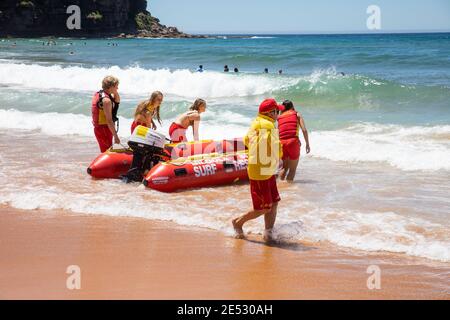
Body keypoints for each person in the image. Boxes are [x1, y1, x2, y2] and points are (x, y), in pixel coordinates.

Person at [232, 99, 283, 243]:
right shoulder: (268, 126)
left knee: (274, 202)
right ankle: (238, 222)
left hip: (262, 169)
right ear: (271, 112)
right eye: (277, 111)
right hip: (262, 171)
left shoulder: (256, 123)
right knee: (264, 207)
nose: (278, 114)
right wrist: (279, 157)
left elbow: (247, 140)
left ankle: (268, 233)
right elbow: (275, 147)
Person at [278, 100, 310, 182]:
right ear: (292, 107)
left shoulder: (280, 117)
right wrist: (307, 144)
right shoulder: (297, 114)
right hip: (293, 142)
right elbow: (304, 130)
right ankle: (288, 188)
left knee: (284, 168)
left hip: (281, 143)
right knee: (292, 170)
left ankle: (280, 186)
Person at [91, 76, 121, 153]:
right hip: (104, 129)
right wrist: (116, 136)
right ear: (111, 86)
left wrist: (114, 92)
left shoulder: (99, 94)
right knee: (107, 152)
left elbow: (117, 101)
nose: (117, 88)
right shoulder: (106, 100)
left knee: (105, 151)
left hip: (100, 128)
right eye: (116, 86)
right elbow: (109, 121)